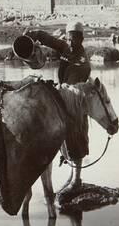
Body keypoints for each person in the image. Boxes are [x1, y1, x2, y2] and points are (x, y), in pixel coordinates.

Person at [24, 22, 91, 196]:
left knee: (76, 138)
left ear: (81, 39)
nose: (70, 41)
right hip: (65, 94)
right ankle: (71, 177)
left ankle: (76, 179)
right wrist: (32, 35)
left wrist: (53, 90)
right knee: (66, 139)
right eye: (68, 37)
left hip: (75, 101)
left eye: (74, 38)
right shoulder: (67, 48)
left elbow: (70, 88)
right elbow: (49, 39)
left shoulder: (82, 61)